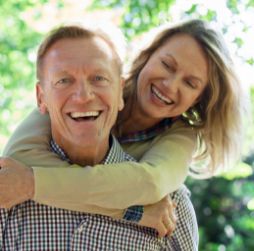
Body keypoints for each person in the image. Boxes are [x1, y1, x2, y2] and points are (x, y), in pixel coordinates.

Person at [0, 24, 199, 251]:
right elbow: (17, 166)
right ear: (41, 98)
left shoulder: (172, 208)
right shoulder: (9, 191)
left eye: (99, 78)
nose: (83, 96)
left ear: (119, 92)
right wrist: (136, 212)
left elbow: (151, 182)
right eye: (64, 80)